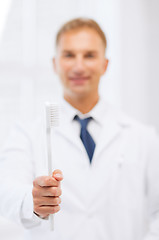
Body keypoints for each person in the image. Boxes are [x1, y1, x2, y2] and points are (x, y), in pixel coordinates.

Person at [0, 17, 159, 240]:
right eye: (69, 55)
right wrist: (33, 200)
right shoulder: (27, 133)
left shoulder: (142, 137)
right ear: (55, 63)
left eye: (90, 55)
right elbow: (6, 191)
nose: (79, 66)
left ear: (105, 64)